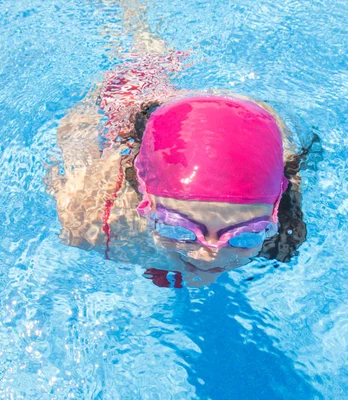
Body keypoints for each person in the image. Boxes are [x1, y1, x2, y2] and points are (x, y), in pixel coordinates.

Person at [46, 0, 314, 287]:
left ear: (272, 216)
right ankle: (130, 11)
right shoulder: (90, 221)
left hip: (251, 124)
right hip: (135, 108)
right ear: (146, 202)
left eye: (244, 236)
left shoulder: (284, 233)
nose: (210, 255)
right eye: (179, 231)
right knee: (144, 56)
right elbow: (74, 132)